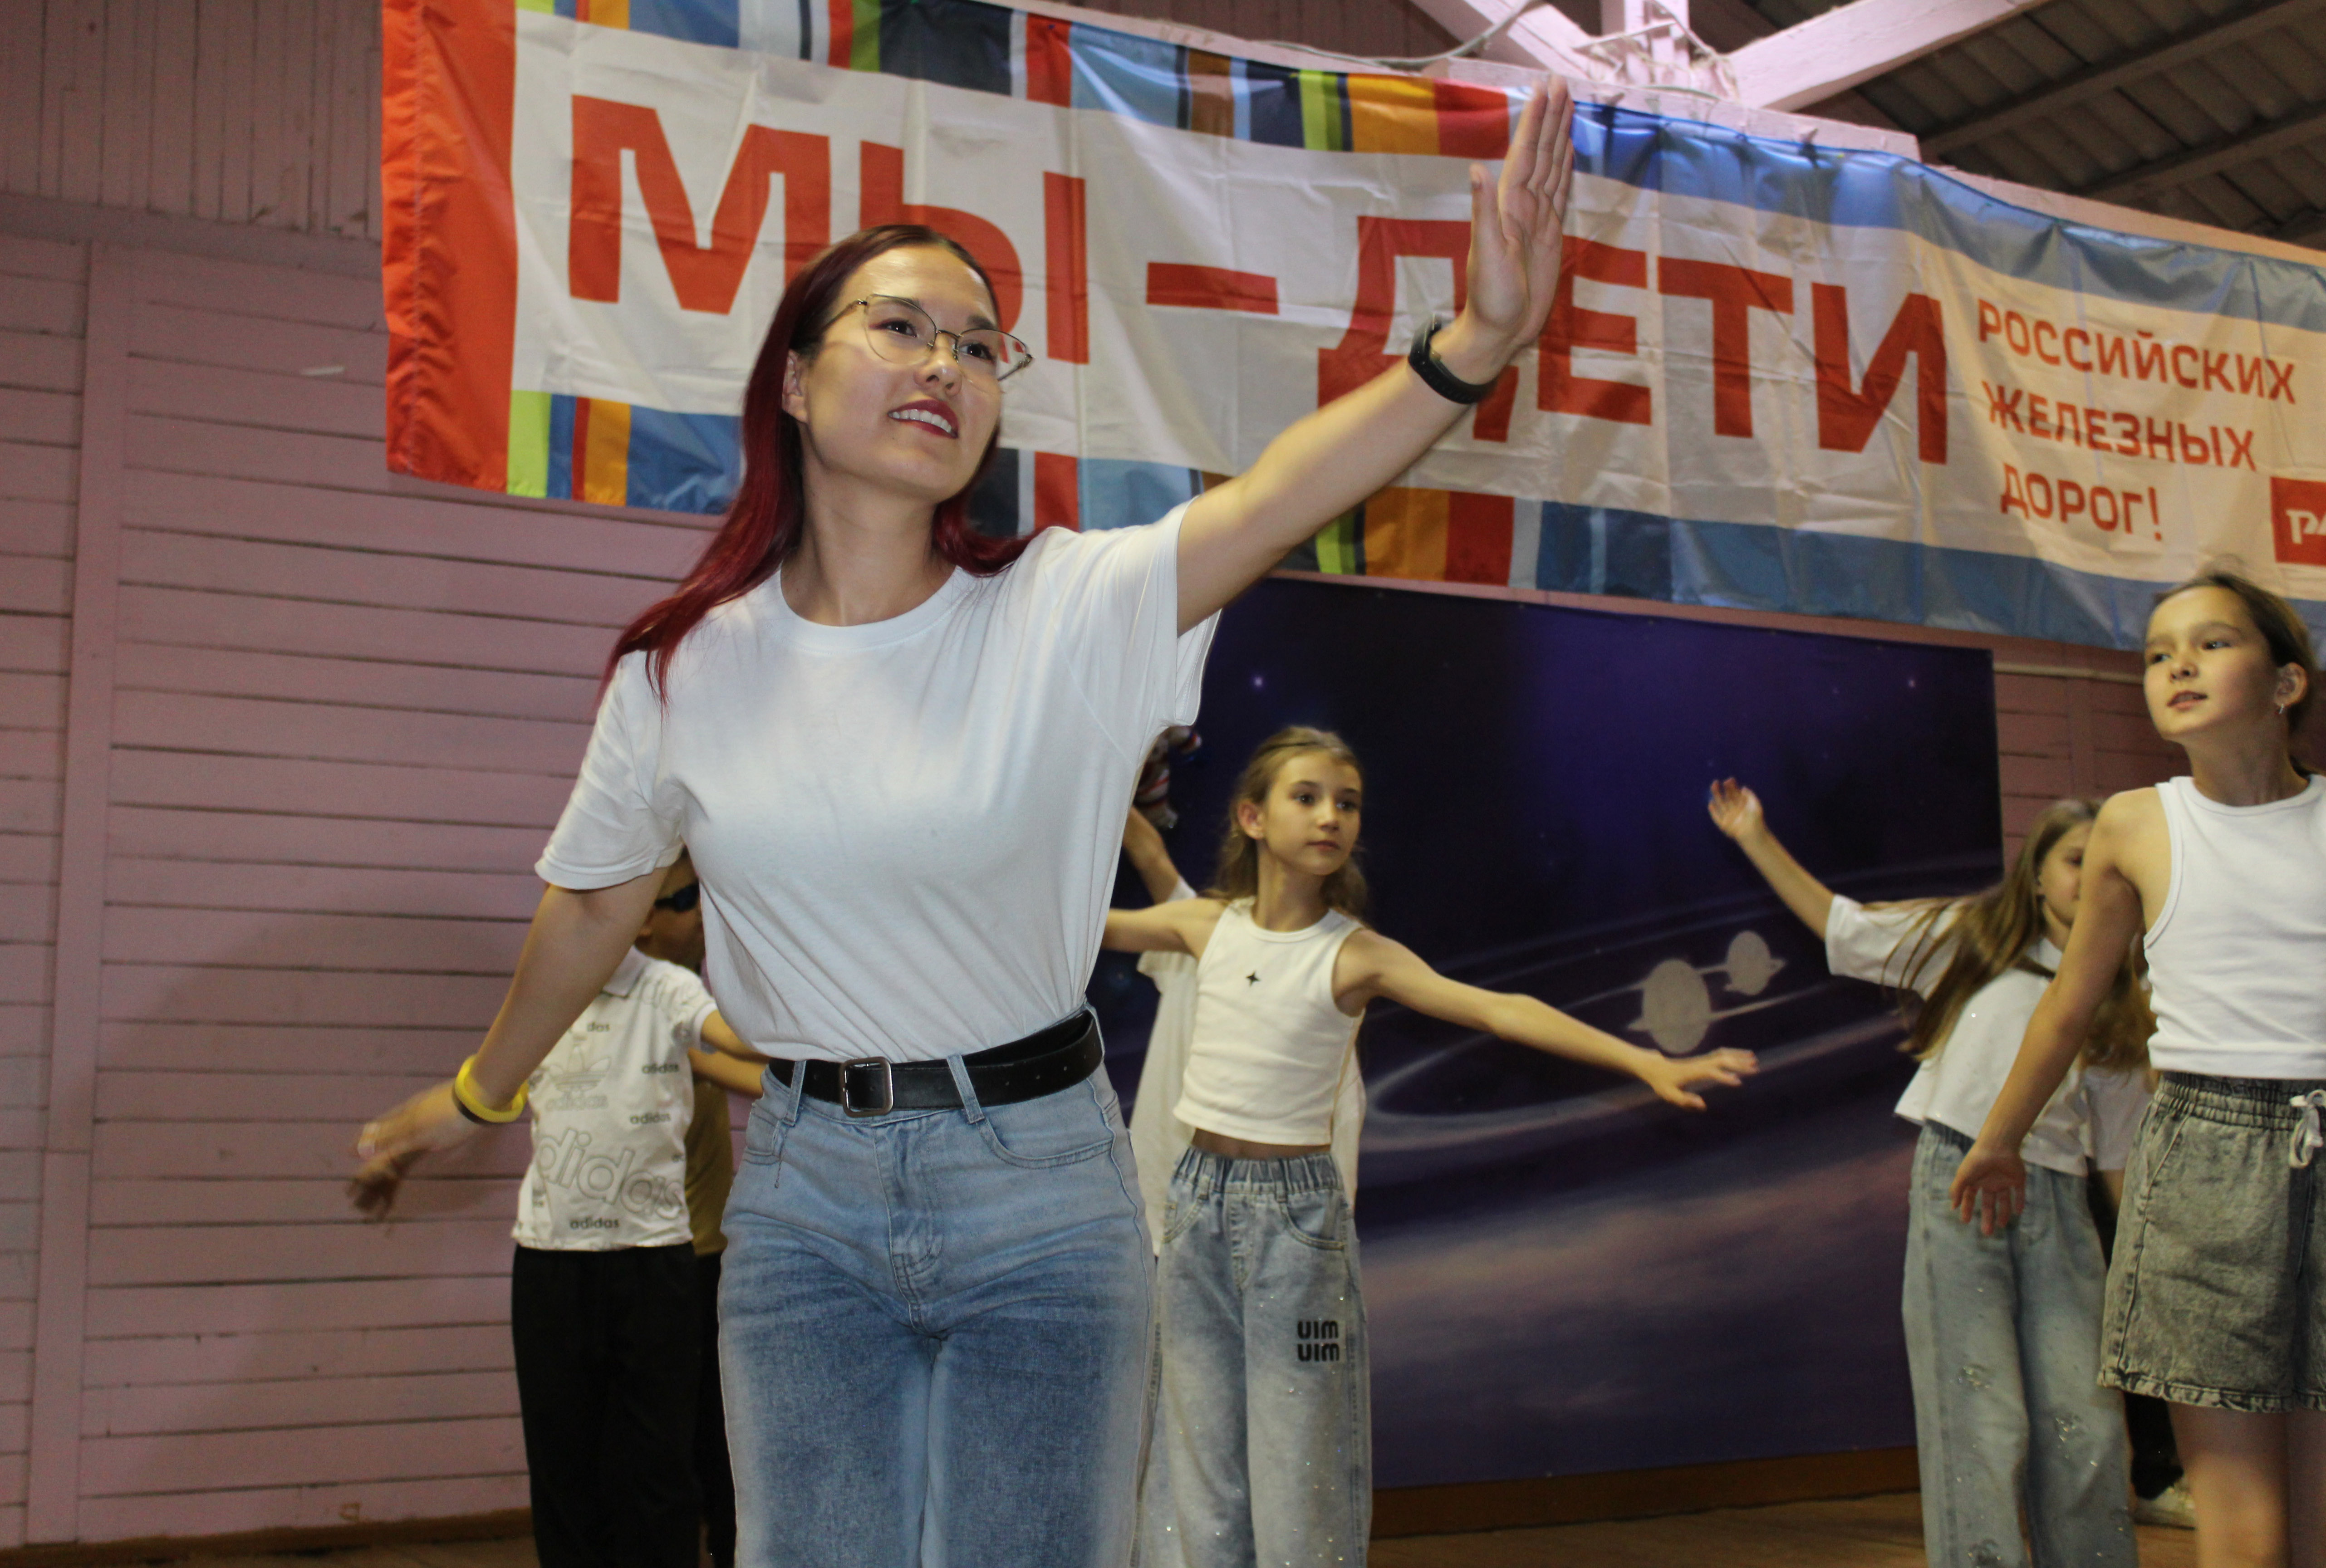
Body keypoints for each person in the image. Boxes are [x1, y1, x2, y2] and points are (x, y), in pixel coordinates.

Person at [351, 79, 1582, 1568]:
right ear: (794, 378)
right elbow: (596, 903)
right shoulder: (684, 671)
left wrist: (1474, 345)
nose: (947, 362)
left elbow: (1274, 496)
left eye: (980, 344)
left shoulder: (1065, 608)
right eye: (901, 326)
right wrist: (478, 1095)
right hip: (804, 1195)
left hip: (1041, 1190)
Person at [1106, 727, 1756, 1568]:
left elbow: (1499, 1010)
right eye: (1306, 797)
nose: (1330, 816)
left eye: (1346, 804)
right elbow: (1089, 926)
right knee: (1196, 1451)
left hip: (1294, 1226)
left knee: (1299, 1451)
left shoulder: (1354, 954)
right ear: (1252, 817)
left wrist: (1644, 1061)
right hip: (1195, 1207)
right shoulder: (1206, 925)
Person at [1951, 571, 2326, 1568]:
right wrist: (1998, 1140)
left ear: (2286, 682)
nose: (2177, 665)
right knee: (2245, 1532)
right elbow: (2068, 1005)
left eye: (2211, 643)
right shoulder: (2136, 823)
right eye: (2157, 653)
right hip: (2203, 1163)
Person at [1707, 780, 2152, 1568]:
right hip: (1962, 1182)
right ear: (2037, 874)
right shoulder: (1974, 938)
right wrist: (1754, 838)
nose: (2088, 880)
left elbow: (2116, 1152)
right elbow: (1842, 927)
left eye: (2104, 867)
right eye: (2074, 861)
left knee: (2082, 1422)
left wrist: (2142, 1271)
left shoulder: (2117, 991)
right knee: (1981, 1415)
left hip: (2059, 1200)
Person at [1120, 805, 1370, 1245]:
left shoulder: (1344, 955)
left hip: (1297, 1205)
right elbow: (1147, 851)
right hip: (1186, 1198)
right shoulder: (1195, 927)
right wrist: (1100, 777)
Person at [633, 855, 768, 1568]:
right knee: (678, 1451)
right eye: (688, 898)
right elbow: (758, 1071)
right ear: (644, 922)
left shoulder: (695, 1004)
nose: (703, 915)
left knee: (724, 1446)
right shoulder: (651, 1012)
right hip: (667, 1266)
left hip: (710, 1259)